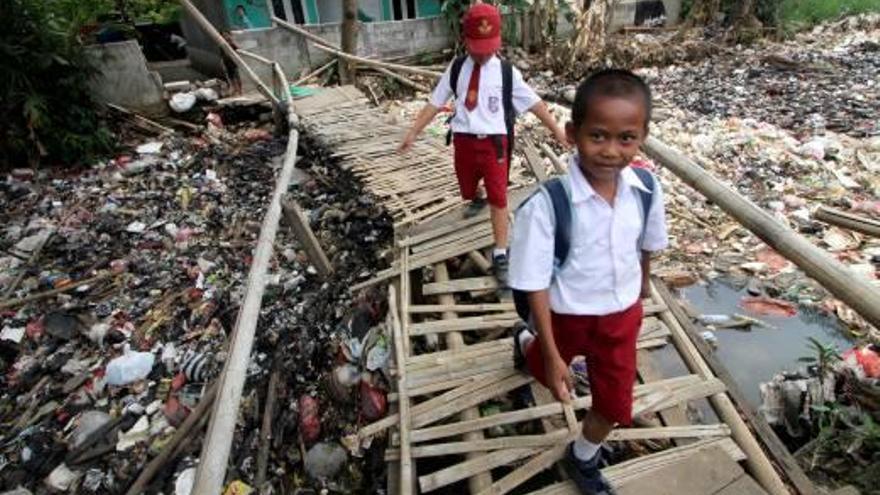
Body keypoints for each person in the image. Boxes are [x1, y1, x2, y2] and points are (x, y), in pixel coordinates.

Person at [508, 69, 668, 495]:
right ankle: (527, 343)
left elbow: (648, 244)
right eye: (598, 136)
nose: (611, 151)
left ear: (642, 137)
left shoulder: (647, 189)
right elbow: (534, 282)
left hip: (620, 317)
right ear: (572, 133)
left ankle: (582, 456)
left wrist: (643, 285)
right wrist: (555, 352)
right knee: (548, 371)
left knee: (615, 403)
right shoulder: (547, 207)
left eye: (626, 138)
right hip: (565, 314)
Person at [398, 3, 568, 285]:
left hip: (494, 144)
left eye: (489, 47)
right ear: (465, 41)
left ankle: (500, 253)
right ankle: (476, 194)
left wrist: (557, 130)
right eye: (477, 47)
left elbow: (535, 104)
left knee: (499, 198)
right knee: (466, 188)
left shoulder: (506, 73)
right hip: (464, 142)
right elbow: (435, 101)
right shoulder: (456, 69)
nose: (483, 53)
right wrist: (414, 131)